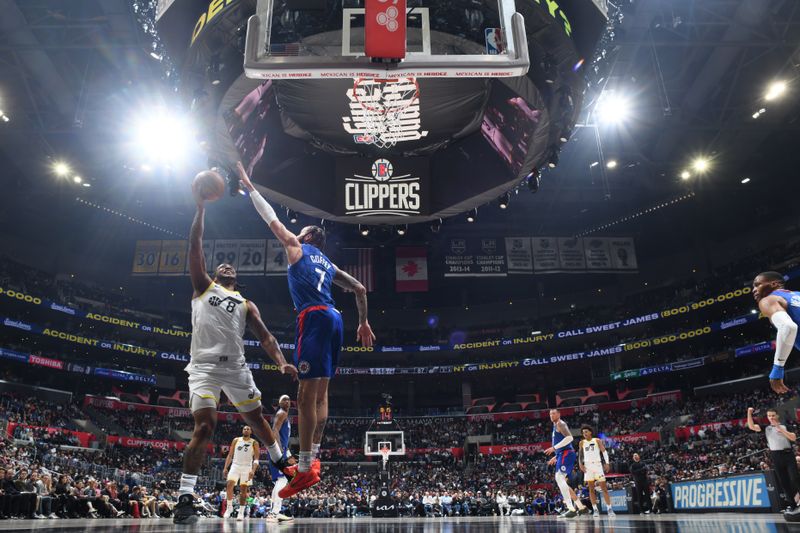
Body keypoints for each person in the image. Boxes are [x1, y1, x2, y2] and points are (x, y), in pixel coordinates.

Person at [236, 162, 376, 498]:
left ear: (309, 237)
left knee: (303, 395)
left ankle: (302, 469)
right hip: (336, 318)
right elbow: (359, 288)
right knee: (322, 394)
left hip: (312, 317)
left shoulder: (297, 248)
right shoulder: (328, 264)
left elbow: (271, 219)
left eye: (301, 231)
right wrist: (364, 322)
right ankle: (313, 461)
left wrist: (248, 185)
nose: (294, 233)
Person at [173, 186, 299, 525]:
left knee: (257, 418)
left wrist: (281, 360)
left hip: (237, 369)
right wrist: (200, 207)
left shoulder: (246, 303)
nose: (226, 265)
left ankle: (281, 458)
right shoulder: (203, 286)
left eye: (231, 265)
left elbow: (266, 336)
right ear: (216, 274)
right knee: (205, 427)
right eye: (222, 264)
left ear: (236, 277)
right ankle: (185, 496)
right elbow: (195, 244)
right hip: (202, 369)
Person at [747, 407, 800, 519]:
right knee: (784, 482)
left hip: (788, 454)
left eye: (773, 415)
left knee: (795, 478)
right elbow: (751, 426)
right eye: (769, 416)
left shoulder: (785, 425)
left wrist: (780, 428)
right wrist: (749, 413)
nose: (771, 418)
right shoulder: (766, 428)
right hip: (776, 456)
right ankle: (792, 505)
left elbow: (793, 438)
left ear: (777, 416)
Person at [752, 271, 799, 394]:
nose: (754, 290)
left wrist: (778, 368)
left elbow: (788, 327)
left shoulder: (769, 299)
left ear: (774, 284)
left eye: (757, 285)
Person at [544, 409, 588, 518]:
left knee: (559, 478)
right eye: (550, 414)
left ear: (559, 414)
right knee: (562, 482)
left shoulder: (561, 423)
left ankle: (571, 509)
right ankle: (581, 507)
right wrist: (556, 456)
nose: (551, 415)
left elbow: (570, 438)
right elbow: (562, 445)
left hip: (566, 454)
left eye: (554, 413)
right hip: (562, 454)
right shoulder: (555, 426)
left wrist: (554, 448)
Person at [222, 426, 260, 521]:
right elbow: (230, 455)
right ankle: (229, 508)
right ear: (242, 431)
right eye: (244, 429)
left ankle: (241, 512)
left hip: (247, 468)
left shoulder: (254, 442)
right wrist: (225, 467)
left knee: (243, 490)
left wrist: (253, 470)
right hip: (235, 465)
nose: (246, 430)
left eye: (248, 429)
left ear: (251, 431)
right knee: (229, 484)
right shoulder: (236, 440)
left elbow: (256, 459)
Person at [267, 394, 295, 522]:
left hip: (280, 450)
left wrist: (287, 452)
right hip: (278, 450)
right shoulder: (281, 413)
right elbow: (274, 430)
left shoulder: (283, 414)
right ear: (279, 402)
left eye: (289, 399)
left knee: (279, 481)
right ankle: (274, 513)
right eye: (284, 399)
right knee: (282, 480)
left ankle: (274, 512)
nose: (287, 401)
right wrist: (279, 449)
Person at [578, 425, 615, 517]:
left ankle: (609, 509)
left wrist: (607, 463)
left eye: (586, 431)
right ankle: (595, 510)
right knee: (591, 489)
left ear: (590, 432)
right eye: (583, 432)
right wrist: (580, 464)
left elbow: (604, 451)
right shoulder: (581, 442)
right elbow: (580, 455)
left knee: (604, 488)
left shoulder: (597, 440)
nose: (584, 434)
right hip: (588, 467)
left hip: (598, 466)